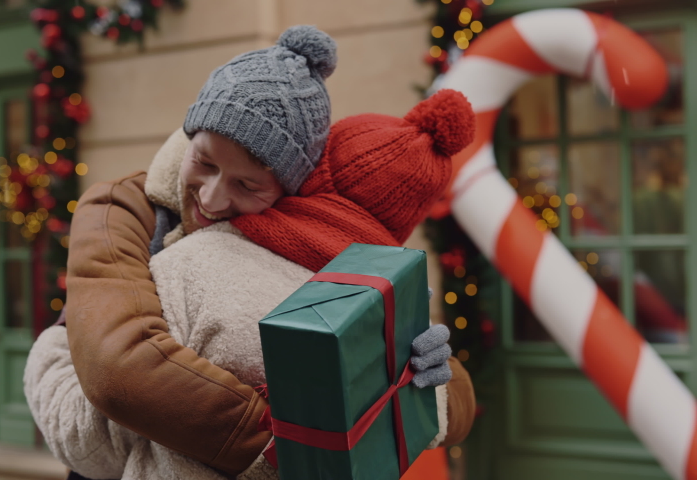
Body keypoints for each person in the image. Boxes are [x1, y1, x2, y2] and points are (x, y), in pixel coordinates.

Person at [24, 25, 475, 480]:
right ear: (190, 135)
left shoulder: (298, 245)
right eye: (204, 162)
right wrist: (289, 451)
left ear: (291, 190)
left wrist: (426, 372)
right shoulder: (121, 208)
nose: (214, 199)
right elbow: (117, 367)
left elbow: (453, 400)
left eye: (247, 184)